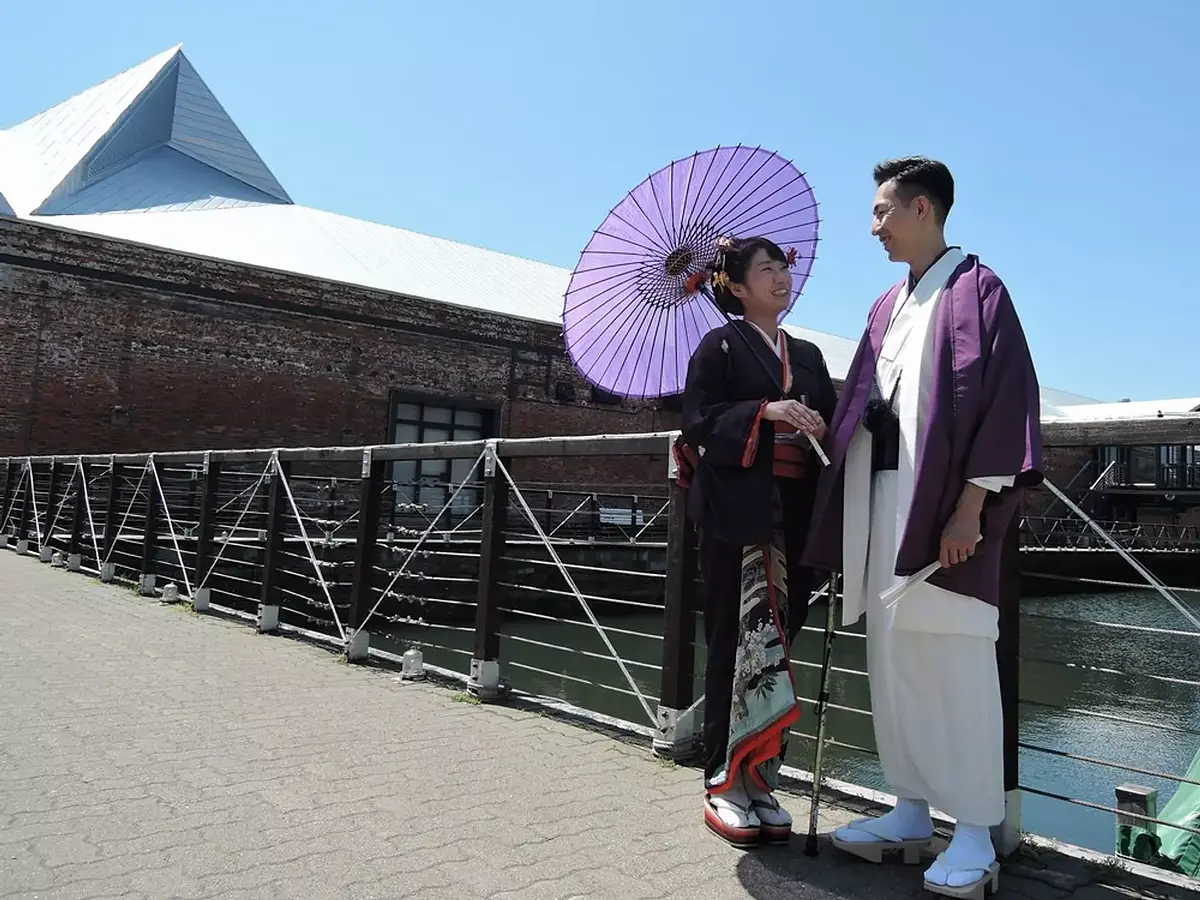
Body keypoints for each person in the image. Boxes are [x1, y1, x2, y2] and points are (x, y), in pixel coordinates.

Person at [802, 157, 1043, 896]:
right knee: (893, 662)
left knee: (955, 665)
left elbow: (1007, 401)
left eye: (883, 211)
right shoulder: (887, 305)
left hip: (942, 514)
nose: (874, 226)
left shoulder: (979, 291)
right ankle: (909, 809)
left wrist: (971, 507)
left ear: (922, 209)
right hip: (882, 506)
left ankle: (974, 829)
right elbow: (864, 400)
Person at [677, 235, 838, 848]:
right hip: (738, 514)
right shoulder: (718, 346)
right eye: (765, 269)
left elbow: (833, 421)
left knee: (780, 640)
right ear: (738, 287)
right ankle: (723, 777)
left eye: (782, 267)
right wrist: (765, 413)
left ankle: (763, 776)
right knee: (733, 638)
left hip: (793, 515)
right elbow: (696, 421)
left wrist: (822, 421)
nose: (779, 277)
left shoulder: (810, 355)